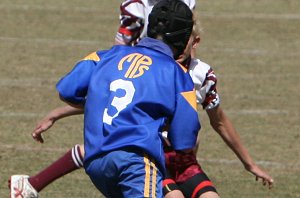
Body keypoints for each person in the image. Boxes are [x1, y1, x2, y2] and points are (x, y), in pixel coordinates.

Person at [10, 1, 274, 198]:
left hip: (98, 163)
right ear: (187, 40)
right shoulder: (176, 74)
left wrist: (66, 108)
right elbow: (185, 136)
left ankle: (30, 185)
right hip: (139, 162)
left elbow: (67, 88)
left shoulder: (106, 56)